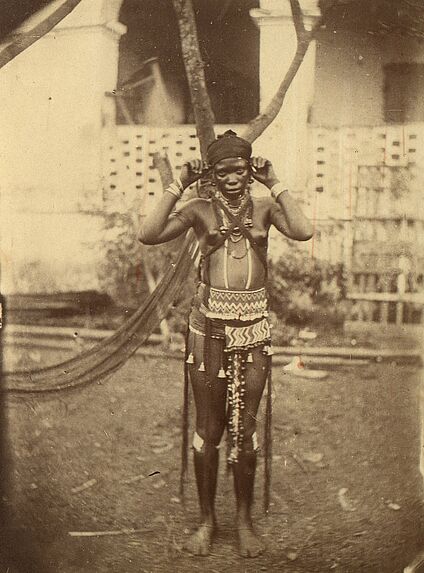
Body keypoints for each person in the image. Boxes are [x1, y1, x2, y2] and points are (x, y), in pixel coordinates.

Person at [138, 130, 313, 557]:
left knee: (246, 430)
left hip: (253, 329)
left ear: (249, 170)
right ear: (212, 175)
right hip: (208, 332)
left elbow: (305, 231)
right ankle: (206, 520)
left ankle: (245, 522)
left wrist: (277, 183)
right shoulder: (199, 210)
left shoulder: (266, 207)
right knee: (209, 428)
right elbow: (148, 232)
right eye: (223, 171)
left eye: (240, 169)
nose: (232, 178)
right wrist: (178, 181)